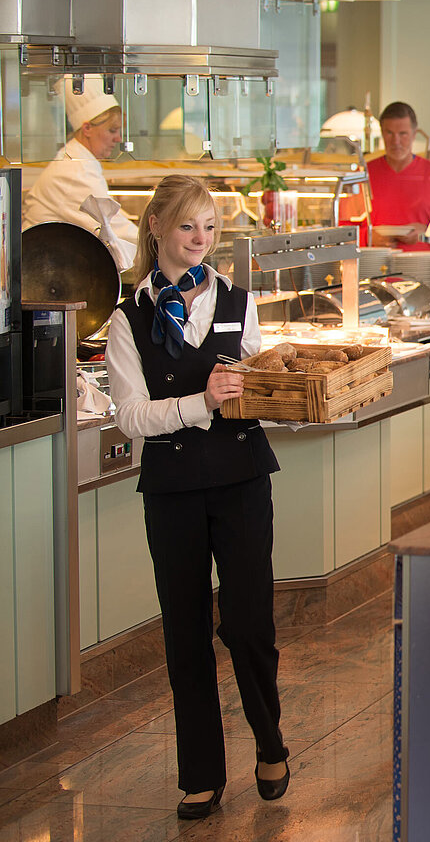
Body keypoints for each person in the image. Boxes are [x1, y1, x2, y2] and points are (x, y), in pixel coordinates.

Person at [105, 175, 290, 820]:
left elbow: (260, 385)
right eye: (188, 226)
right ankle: (201, 772)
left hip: (242, 480)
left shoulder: (240, 303)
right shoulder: (126, 319)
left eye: (210, 228)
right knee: (185, 632)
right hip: (174, 489)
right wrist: (199, 403)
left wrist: (260, 389)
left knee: (247, 623)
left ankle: (270, 740)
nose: (200, 241)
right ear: (155, 226)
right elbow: (130, 417)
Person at [22, 75, 137, 270]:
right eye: (112, 130)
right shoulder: (73, 171)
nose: (118, 138)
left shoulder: (80, 161)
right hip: (39, 271)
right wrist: (164, 245)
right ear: (87, 129)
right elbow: (111, 226)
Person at [364, 100, 430, 250]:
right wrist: (368, 236)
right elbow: (343, 231)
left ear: (414, 134)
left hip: (424, 270)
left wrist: (426, 233)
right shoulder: (363, 175)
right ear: (382, 133)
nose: (396, 141)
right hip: (373, 269)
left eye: (403, 134)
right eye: (389, 133)